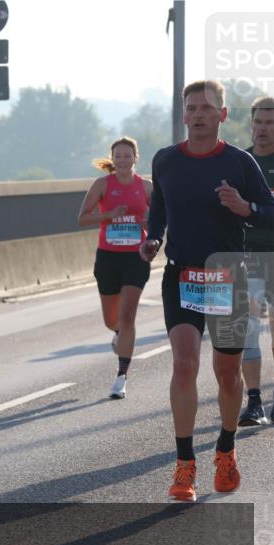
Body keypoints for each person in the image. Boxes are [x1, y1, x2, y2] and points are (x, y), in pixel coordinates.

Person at [139, 80, 274, 501]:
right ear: (183, 114)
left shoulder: (239, 163)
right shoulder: (165, 161)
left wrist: (245, 208)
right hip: (181, 275)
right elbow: (158, 209)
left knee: (227, 375)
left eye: (206, 108)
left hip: (225, 275)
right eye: (191, 108)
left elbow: (270, 210)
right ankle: (184, 465)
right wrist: (153, 239)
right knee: (184, 363)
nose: (198, 114)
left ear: (223, 115)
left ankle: (225, 449)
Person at [78, 137, 153, 399]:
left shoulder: (145, 186)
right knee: (112, 320)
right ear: (112, 159)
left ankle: (121, 377)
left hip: (136, 257)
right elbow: (83, 218)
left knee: (129, 315)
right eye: (118, 156)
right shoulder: (101, 185)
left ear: (136, 158)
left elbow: (159, 220)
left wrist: (148, 224)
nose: (122, 160)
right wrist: (109, 215)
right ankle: (119, 334)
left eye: (127, 155)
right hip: (108, 257)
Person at [237, 96, 274, 426]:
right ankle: (254, 403)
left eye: (270, 122)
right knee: (248, 330)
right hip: (247, 256)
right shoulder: (241, 162)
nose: (263, 129)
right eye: (258, 122)